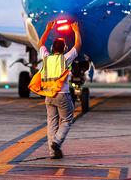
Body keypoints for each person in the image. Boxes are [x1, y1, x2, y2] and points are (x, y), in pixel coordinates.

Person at [38, 21, 81, 159]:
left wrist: (47, 29)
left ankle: (52, 152)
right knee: (67, 120)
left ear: (52, 48)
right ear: (64, 49)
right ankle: (57, 142)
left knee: (51, 122)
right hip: (62, 95)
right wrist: (76, 30)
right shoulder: (65, 59)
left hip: (48, 95)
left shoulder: (46, 58)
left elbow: (40, 45)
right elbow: (78, 46)